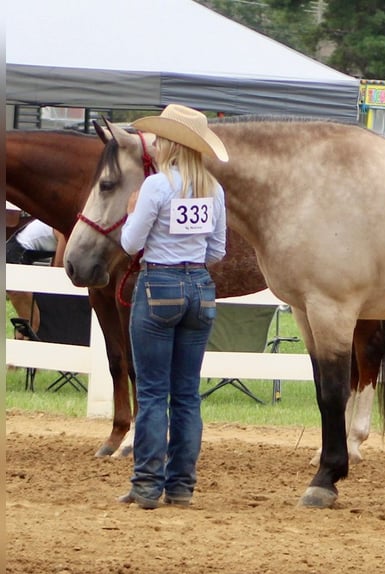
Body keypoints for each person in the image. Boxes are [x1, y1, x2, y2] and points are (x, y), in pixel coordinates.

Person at [117, 104, 228, 509]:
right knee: (186, 394)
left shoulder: (157, 186)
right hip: (200, 287)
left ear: (170, 143)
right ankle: (181, 487)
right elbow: (217, 251)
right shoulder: (213, 190)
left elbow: (130, 244)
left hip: (159, 285)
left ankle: (146, 485)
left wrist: (131, 216)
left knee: (151, 393)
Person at [6, 218, 67, 338]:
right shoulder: (66, 230)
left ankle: (19, 351)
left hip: (15, 257)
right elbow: (59, 269)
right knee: (32, 322)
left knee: (28, 321)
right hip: (13, 260)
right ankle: (19, 353)